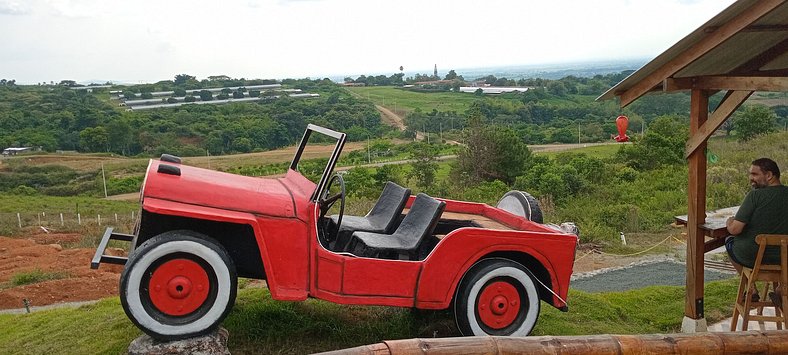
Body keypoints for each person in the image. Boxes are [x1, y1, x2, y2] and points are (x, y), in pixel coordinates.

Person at [725, 158, 788, 303]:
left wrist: (729, 222)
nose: (750, 178)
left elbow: (735, 229)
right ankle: (781, 288)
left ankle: (751, 287)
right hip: (784, 259)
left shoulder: (755, 196)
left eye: (754, 174)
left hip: (754, 258)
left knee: (729, 241)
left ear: (769, 175)